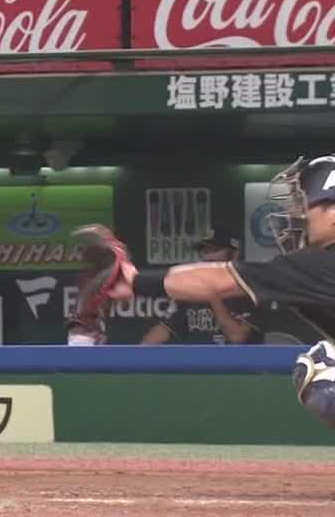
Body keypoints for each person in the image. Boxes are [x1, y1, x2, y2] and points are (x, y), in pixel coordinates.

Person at [74, 156, 335, 426]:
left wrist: (134, 280)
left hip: (242, 377)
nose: (298, 215)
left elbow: (218, 280)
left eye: (305, 204)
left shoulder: (321, 265)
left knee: (322, 368)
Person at [141, 228, 262, 345]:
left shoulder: (249, 288)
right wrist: (137, 353)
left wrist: (213, 296)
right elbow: (163, 330)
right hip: (198, 358)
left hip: (236, 358)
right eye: (204, 250)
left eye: (214, 250)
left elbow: (237, 336)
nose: (208, 256)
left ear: (235, 254)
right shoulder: (191, 289)